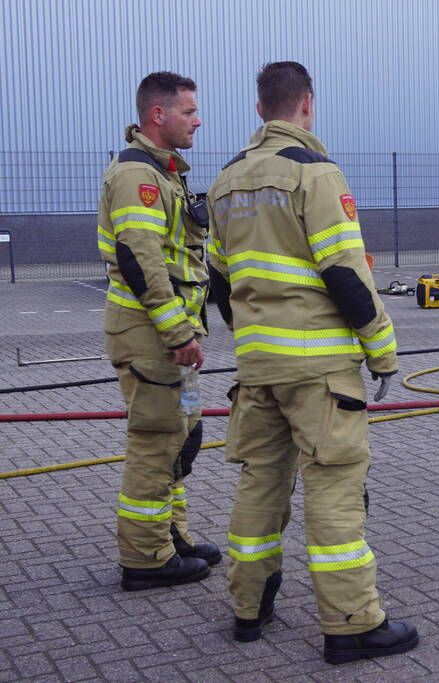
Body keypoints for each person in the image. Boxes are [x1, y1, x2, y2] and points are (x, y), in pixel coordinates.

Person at [207, 61, 418, 665]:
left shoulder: (224, 183)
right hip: (320, 370)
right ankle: (351, 624)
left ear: (260, 109)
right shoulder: (315, 174)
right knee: (333, 490)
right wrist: (382, 349)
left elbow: (218, 283)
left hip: (257, 370)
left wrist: (251, 341)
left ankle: (249, 608)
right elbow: (345, 272)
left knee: (260, 483)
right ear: (308, 104)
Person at [97, 71, 222, 591]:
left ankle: (172, 537)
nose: (197, 120)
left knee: (181, 438)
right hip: (152, 337)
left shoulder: (165, 173)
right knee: (155, 443)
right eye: (188, 111)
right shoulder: (137, 176)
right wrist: (177, 334)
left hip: (171, 337)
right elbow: (139, 259)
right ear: (157, 114)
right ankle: (146, 559)